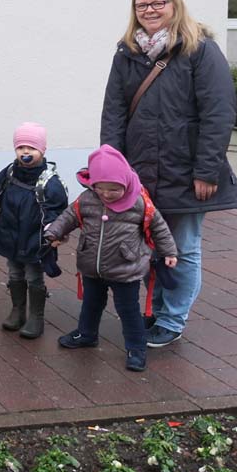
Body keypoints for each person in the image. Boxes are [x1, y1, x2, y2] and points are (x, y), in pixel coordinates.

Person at [100, 0, 237, 348]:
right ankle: (156, 309)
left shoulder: (200, 50)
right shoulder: (126, 53)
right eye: (142, 5)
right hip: (140, 172)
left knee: (183, 247)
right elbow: (113, 114)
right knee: (148, 247)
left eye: (157, 3)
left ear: (174, 5)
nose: (149, 10)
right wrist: (110, 169)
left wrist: (207, 170)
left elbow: (218, 113)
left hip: (187, 171)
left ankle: (172, 319)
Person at [43, 145, 178, 372]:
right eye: (100, 188)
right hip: (91, 266)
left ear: (125, 183)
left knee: (128, 310)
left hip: (125, 268)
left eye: (114, 189)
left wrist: (169, 252)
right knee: (91, 303)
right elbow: (69, 216)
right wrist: (54, 232)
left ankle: (136, 347)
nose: (106, 194)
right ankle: (86, 334)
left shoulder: (139, 202)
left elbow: (159, 227)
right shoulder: (87, 199)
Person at [0, 122, 68, 339]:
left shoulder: (49, 182)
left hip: (35, 238)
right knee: (14, 273)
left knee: (34, 276)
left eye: (31, 148)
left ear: (42, 150)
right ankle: (17, 310)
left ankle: (36, 316)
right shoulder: (11, 171)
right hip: (11, 234)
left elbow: (58, 210)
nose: (25, 152)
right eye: (21, 147)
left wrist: (56, 232)